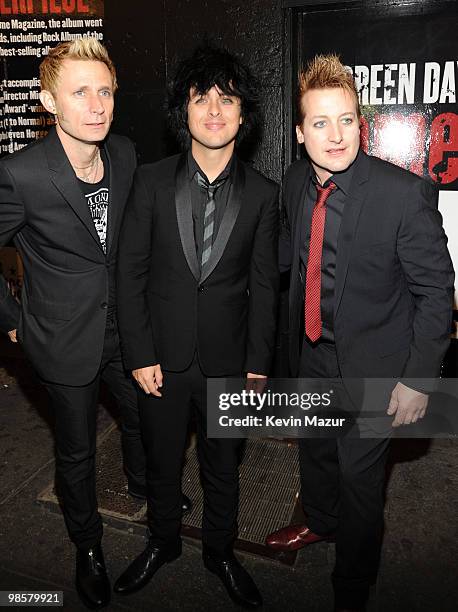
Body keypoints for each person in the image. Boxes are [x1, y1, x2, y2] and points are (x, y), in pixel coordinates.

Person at [266, 54, 454, 612]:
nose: (335, 135)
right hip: (314, 355)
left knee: (360, 478)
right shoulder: (296, 182)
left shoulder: (402, 194)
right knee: (318, 454)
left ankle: (354, 582)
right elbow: (291, 263)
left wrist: (418, 381)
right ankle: (320, 524)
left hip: (378, 368)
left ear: (361, 124)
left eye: (347, 119)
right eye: (320, 123)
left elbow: (435, 292)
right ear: (300, 133)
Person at [0, 39, 169, 610]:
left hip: (126, 333)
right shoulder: (20, 174)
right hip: (62, 340)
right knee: (75, 453)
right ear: (50, 101)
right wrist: (12, 321)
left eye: (105, 91)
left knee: (146, 417)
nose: (97, 105)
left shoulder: (123, 152)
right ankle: (88, 546)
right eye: (80, 92)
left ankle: (146, 486)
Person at [115, 45, 279, 609]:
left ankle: (221, 552)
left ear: (243, 114)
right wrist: (138, 352)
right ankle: (161, 544)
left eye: (227, 99)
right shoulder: (151, 182)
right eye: (201, 98)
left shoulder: (263, 195)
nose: (214, 110)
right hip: (160, 359)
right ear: (182, 111)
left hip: (229, 365)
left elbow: (265, 289)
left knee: (224, 469)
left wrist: (258, 364)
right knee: (162, 463)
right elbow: (130, 272)